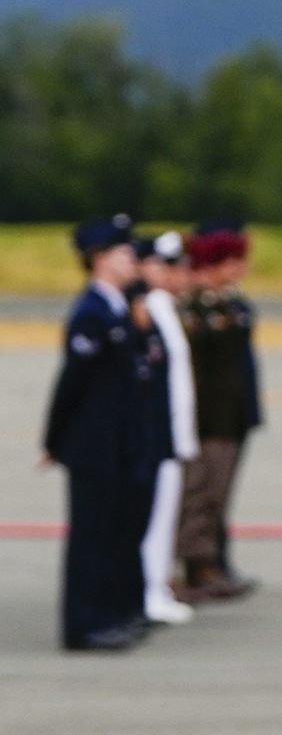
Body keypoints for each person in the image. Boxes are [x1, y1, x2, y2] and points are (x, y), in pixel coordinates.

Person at [40, 216, 148, 651]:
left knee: (110, 535)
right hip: (92, 445)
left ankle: (107, 615)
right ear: (99, 259)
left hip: (114, 443)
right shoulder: (91, 312)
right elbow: (73, 384)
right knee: (90, 540)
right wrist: (54, 440)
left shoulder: (115, 308)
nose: (132, 259)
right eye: (123, 252)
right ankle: (83, 626)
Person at [176, 225, 262, 603]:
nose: (242, 267)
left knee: (218, 493)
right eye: (234, 259)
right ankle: (198, 566)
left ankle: (213, 563)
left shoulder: (229, 303)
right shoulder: (196, 306)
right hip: (207, 417)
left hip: (232, 414)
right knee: (201, 494)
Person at [137, 232, 198, 625]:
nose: (175, 274)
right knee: (153, 519)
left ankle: (156, 586)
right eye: (162, 265)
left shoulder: (164, 306)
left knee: (163, 516)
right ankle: (149, 590)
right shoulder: (151, 307)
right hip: (158, 433)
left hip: (172, 433)